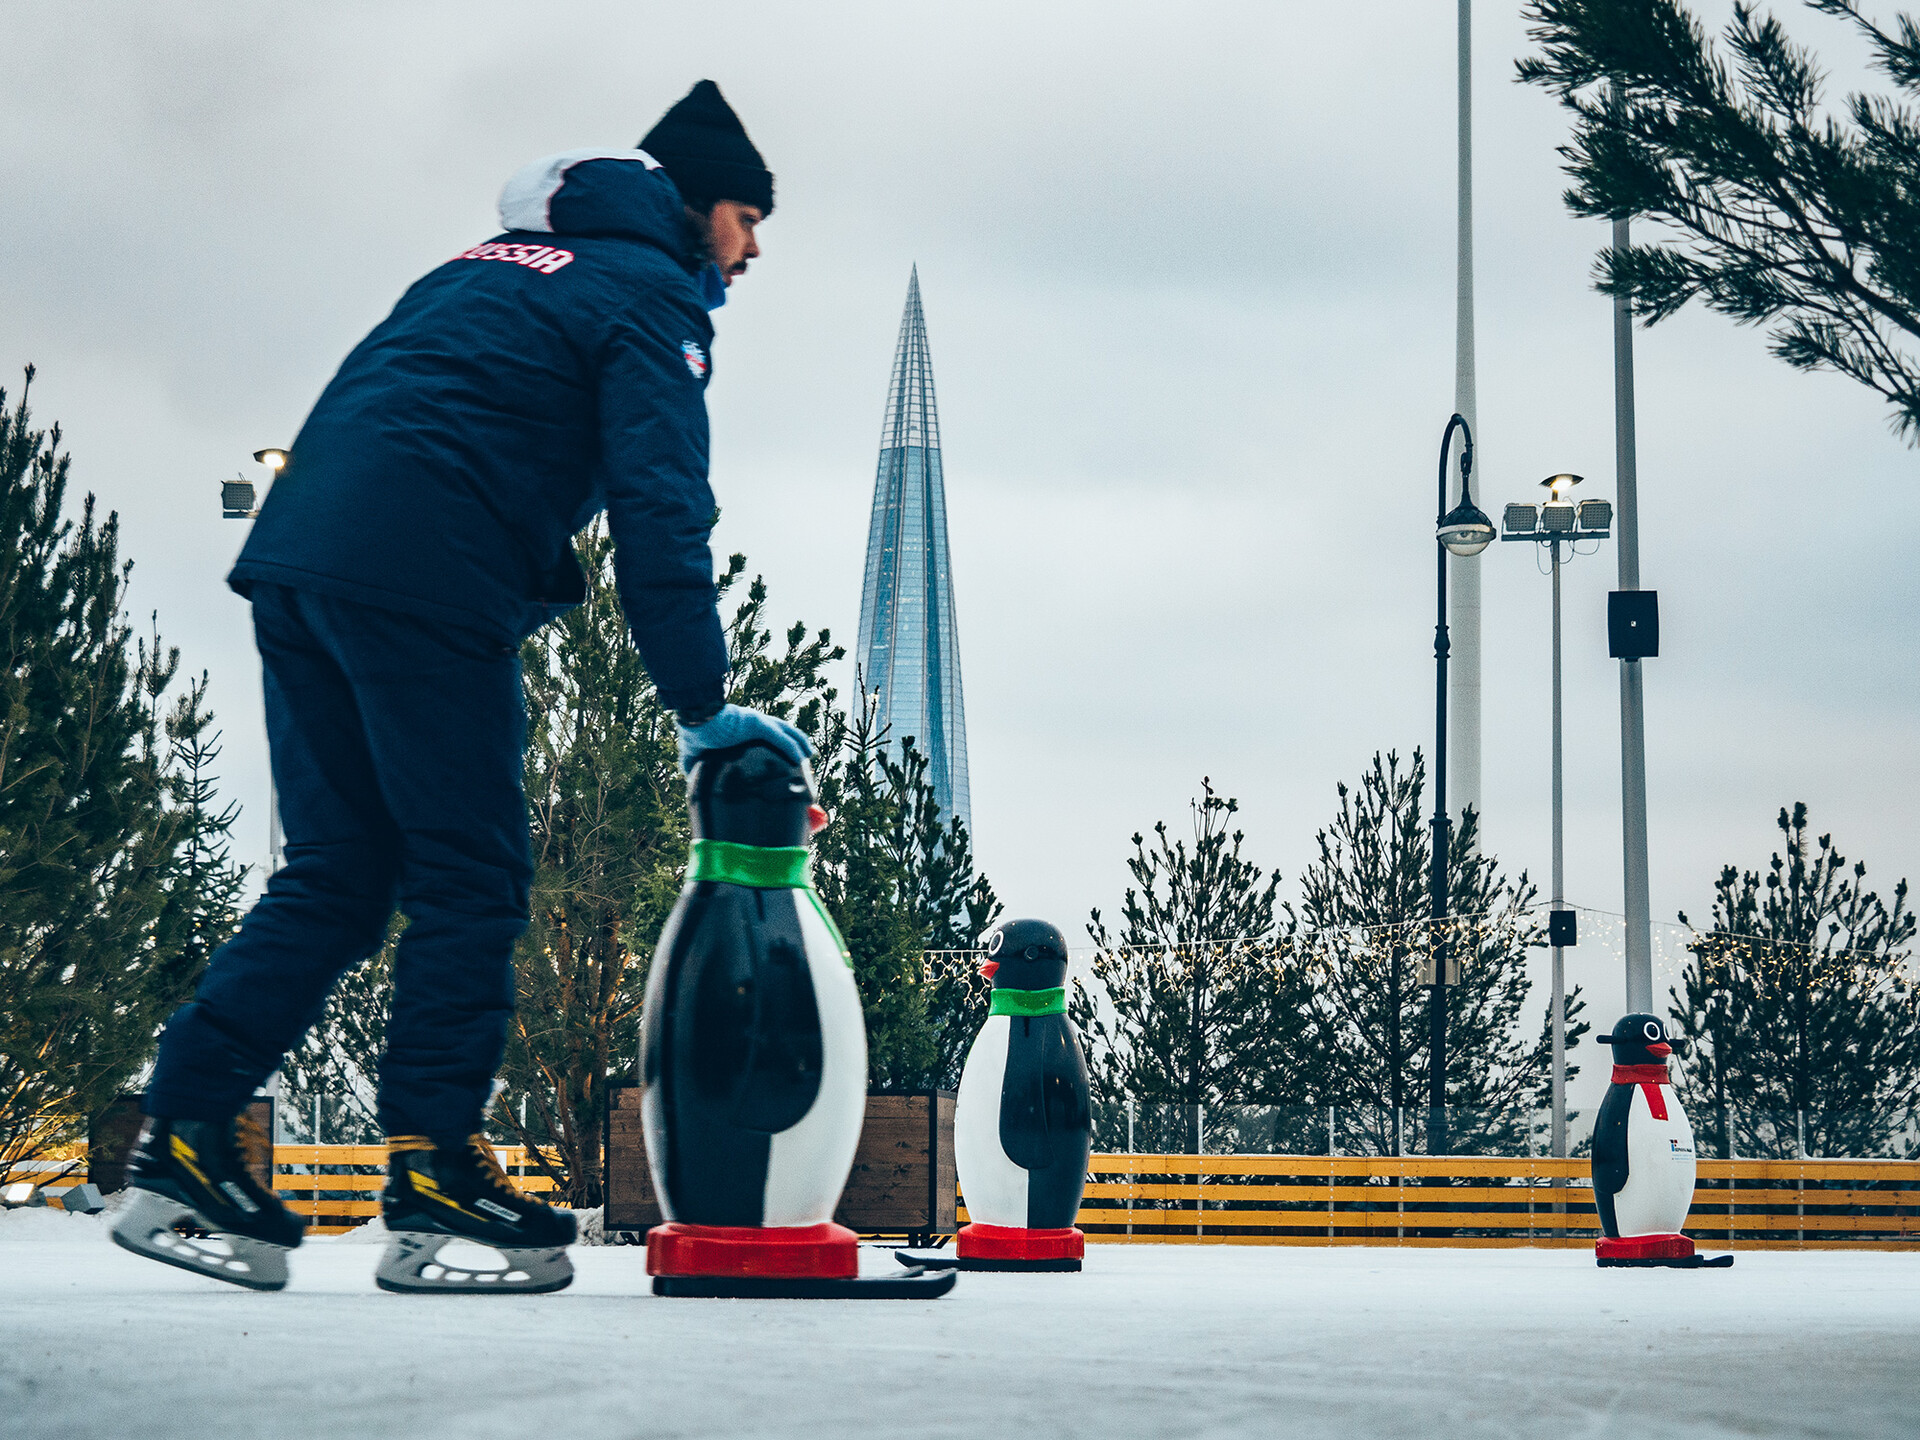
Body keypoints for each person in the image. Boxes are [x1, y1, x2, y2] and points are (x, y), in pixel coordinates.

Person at [110, 80, 808, 1295]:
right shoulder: (644, 293)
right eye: (749, 219)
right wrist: (702, 702)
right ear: (698, 208)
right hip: (428, 578)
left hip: (301, 561)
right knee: (470, 875)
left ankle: (182, 1136)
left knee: (338, 874)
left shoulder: (482, 269)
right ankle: (432, 1170)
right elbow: (660, 505)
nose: (751, 255)